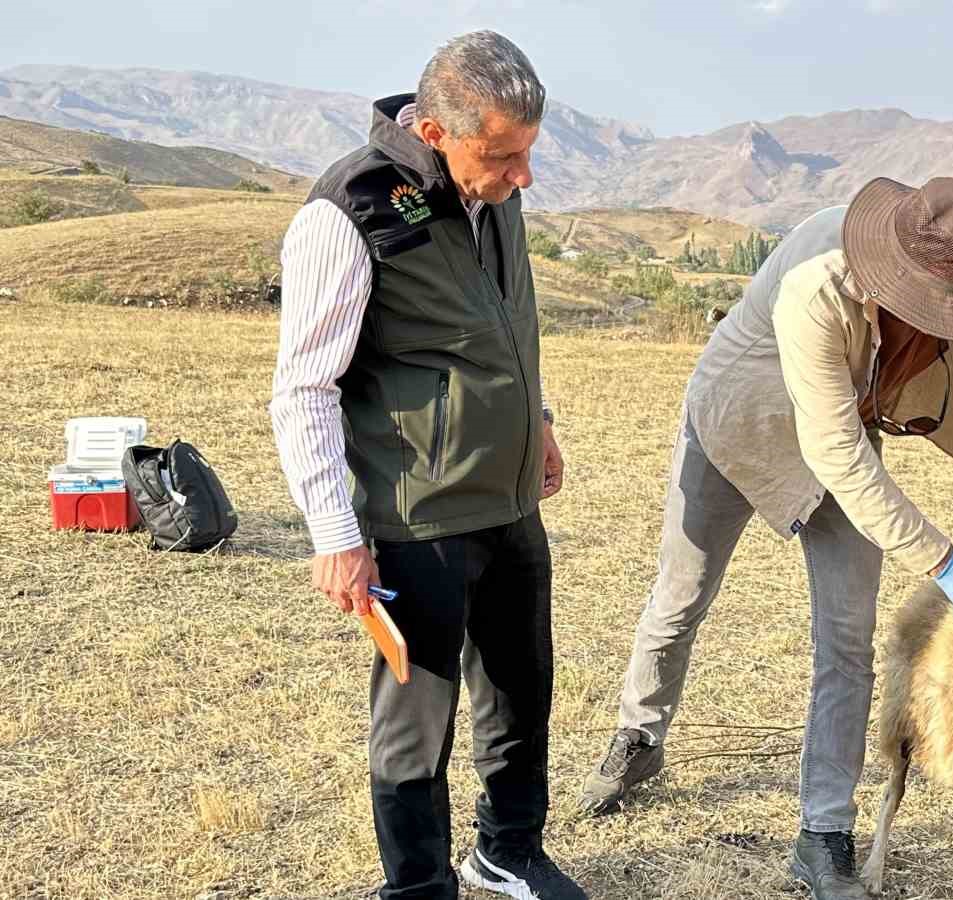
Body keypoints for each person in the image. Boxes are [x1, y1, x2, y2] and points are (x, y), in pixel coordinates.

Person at [576, 176, 953, 898]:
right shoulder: (818, 281)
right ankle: (638, 737)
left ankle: (822, 834)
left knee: (846, 637)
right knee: (682, 596)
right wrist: (949, 564)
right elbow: (829, 445)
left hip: (848, 439)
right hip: (742, 422)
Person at [268, 31, 583, 900]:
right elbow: (304, 390)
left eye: (528, 152)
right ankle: (418, 885)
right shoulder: (350, 211)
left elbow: (504, 327)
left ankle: (508, 850)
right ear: (437, 133)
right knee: (419, 723)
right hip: (417, 516)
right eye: (504, 155)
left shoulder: (496, 192)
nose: (523, 176)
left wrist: (539, 423)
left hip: (510, 501)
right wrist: (336, 536)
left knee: (522, 693)